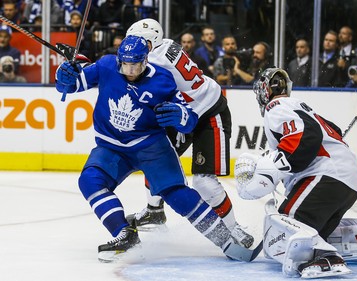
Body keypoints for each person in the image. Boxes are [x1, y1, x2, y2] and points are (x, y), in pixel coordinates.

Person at [54, 34, 255, 263]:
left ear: (146, 60)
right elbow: (69, 85)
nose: (129, 70)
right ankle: (124, 233)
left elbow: (189, 121)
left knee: (177, 194)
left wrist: (181, 115)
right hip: (112, 146)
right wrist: (63, 76)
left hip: (151, 146)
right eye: (125, 64)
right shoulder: (106, 66)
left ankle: (225, 238)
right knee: (89, 180)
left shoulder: (162, 80)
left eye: (135, 64)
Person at [233, 67, 357, 278]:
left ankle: (324, 257)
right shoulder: (300, 106)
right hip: (347, 182)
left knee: (284, 230)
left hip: (325, 178)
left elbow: (304, 135)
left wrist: (276, 162)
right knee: (311, 231)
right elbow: (324, 131)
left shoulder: (276, 106)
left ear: (264, 91)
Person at [125, 18, 254, 245]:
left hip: (209, 112)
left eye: (138, 42)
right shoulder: (164, 43)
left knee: (204, 182)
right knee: (155, 156)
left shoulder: (153, 62)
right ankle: (153, 211)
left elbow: (121, 75)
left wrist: (84, 68)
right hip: (183, 112)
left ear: (149, 43)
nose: (132, 47)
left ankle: (234, 229)